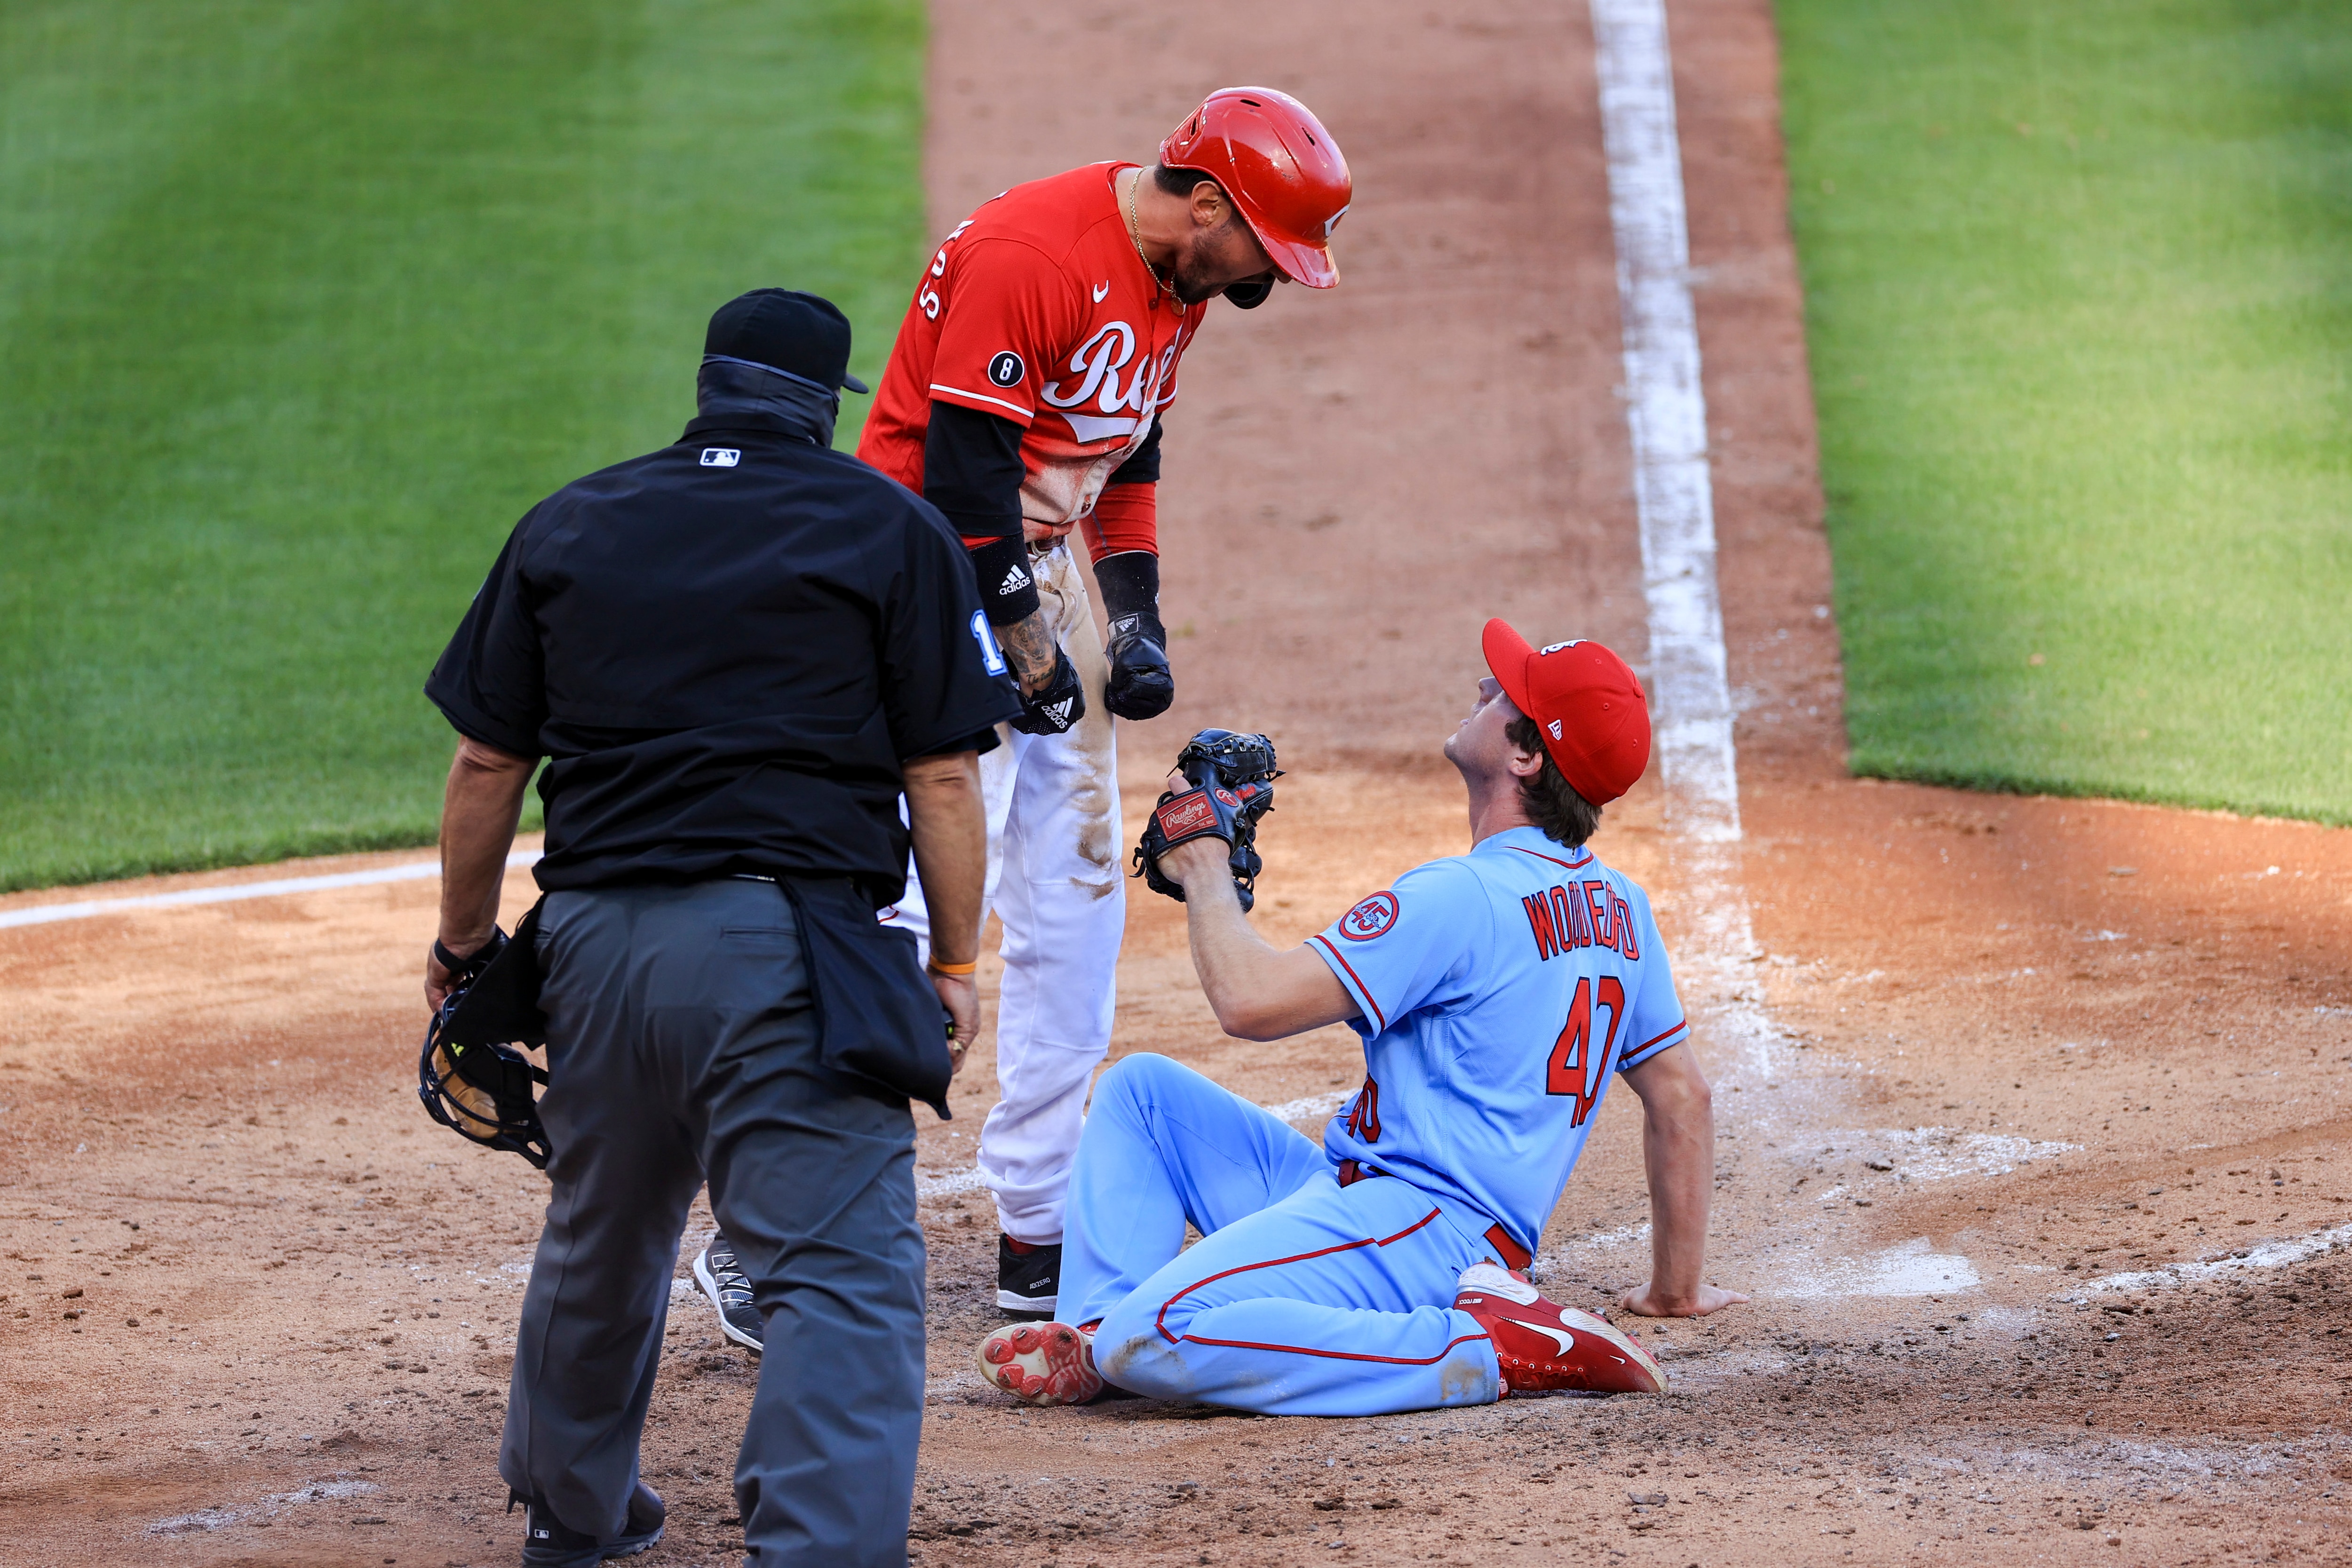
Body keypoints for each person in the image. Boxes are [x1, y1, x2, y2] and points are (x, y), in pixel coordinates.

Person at [694, 87, 1354, 1328]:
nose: (1266, 277)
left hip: (1029, 572)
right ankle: (765, 1228)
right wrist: (1026, 645)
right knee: (892, 909)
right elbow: (960, 476)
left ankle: (1038, 1228)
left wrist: (1135, 614)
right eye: (1264, 248)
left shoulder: (1180, 281)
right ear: (1207, 203)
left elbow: (1129, 452)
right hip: (915, 576)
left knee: (1078, 899)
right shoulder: (1032, 256)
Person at [421, 288, 1019, 1566]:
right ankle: (817, 1548)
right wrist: (958, 963)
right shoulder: (891, 525)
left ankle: (570, 1519)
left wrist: (466, 952)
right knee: (838, 1270)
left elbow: (486, 761)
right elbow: (946, 777)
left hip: (591, 949)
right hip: (784, 955)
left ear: (708, 387)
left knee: (604, 1226)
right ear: (825, 405)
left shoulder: (572, 519)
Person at [972, 621, 1748, 1417]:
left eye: (1503, 693)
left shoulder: (1459, 896)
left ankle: (1491, 1349)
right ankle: (1093, 1344)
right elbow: (1683, 1096)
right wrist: (1673, 1290)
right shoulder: (1624, 909)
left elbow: (1251, 1001)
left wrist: (1206, 871)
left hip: (1419, 1235)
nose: (1482, 689)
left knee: (1157, 1331)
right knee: (1143, 1095)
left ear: (1527, 755)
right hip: (1366, 1200)